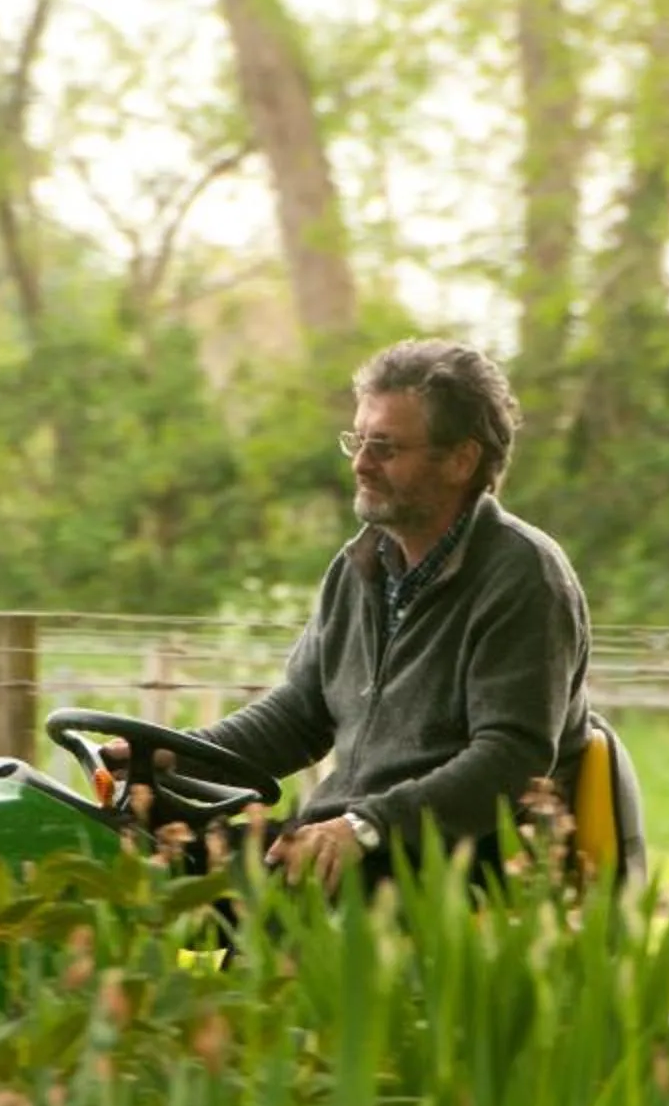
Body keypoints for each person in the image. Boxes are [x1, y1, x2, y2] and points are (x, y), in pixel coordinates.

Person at [192, 337, 605, 891]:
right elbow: (299, 716)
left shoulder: (523, 576)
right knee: (126, 853)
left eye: (385, 447)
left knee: (195, 887)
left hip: (456, 860)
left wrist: (367, 827)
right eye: (358, 441)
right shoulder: (360, 566)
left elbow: (512, 759)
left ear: (461, 459)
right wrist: (172, 760)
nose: (361, 464)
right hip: (348, 839)